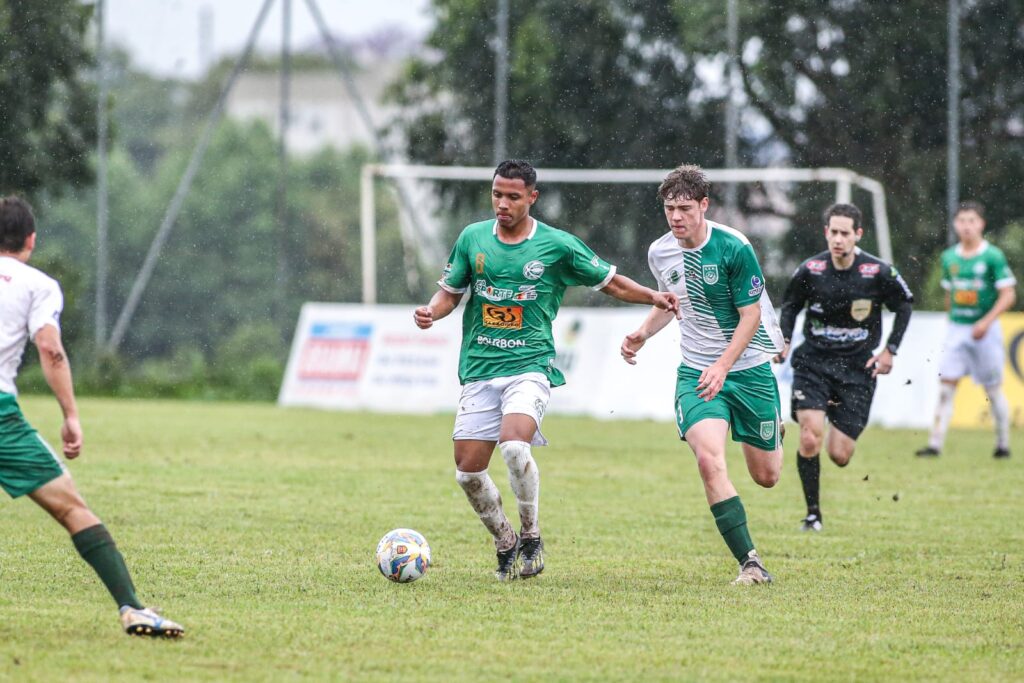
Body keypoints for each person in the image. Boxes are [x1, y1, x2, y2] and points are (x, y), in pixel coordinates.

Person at [414, 160, 679, 581]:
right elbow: (450, 293)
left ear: (532, 198)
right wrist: (432, 311)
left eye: (513, 196)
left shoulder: (557, 246)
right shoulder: (472, 238)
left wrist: (653, 296)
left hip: (529, 366)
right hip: (480, 367)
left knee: (515, 447)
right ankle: (505, 540)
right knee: (467, 473)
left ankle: (531, 534)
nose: (503, 203)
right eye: (497, 194)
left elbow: (610, 281)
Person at [0, 196, 184, 637]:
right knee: (72, 508)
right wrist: (71, 415)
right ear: (31, 239)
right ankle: (132, 607)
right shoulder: (37, 285)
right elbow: (49, 348)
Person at [620, 164, 784, 585]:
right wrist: (642, 333)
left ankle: (772, 429)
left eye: (685, 208)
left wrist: (725, 364)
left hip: (747, 369)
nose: (676, 217)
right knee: (709, 460)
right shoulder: (660, 251)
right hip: (696, 371)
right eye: (670, 208)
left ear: (704, 206)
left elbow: (750, 316)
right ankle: (750, 562)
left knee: (766, 477)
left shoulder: (734, 247)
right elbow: (670, 302)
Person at [774, 203, 914, 532]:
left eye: (844, 233)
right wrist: (783, 340)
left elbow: (905, 304)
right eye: (832, 232)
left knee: (839, 454)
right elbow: (791, 306)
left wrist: (890, 350)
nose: (838, 239)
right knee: (810, 438)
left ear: (858, 235)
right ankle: (813, 515)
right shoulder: (811, 270)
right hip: (813, 364)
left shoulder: (877, 272)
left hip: (857, 370)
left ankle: (829, 426)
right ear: (826, 233)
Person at [916, 201, 1017, 458]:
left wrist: (985, 322)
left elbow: (1008, 295)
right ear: (955, 224)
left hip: (986, 330)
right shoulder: (949, 257)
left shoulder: (992, 256)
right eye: (962, 221)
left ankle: (1003, 444)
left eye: (972, 220)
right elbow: (950, 294)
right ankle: (935, 444)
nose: (967, 226)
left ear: (981, 224)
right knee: (945, 387)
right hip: (958, 330)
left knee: (993, 390)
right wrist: (953, 322)